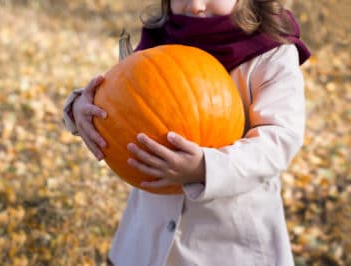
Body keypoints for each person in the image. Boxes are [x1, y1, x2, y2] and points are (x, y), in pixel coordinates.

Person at [62, 0, 311, 265]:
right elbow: (127, 101)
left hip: (230, 244)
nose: (195, 6)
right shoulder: (162, 40)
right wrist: (80, 108)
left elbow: (279, 140)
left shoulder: (272, 54)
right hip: (147, 239)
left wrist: (206, 167)